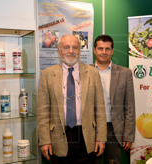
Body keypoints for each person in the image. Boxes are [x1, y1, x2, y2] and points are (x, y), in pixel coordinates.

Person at [37, 35, 107, 164]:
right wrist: (45, 141)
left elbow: (100, 109)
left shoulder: (93, 73)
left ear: (80, 51)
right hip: (58, 135)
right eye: (66, 47)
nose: (70, 51)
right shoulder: (47, 74)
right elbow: (42, 112)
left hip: (86, 136)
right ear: (59, 51)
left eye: (75, 47)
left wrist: (101, 138)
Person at [93, 35, 135, 164]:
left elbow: (130, 106)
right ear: (95, 50)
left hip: (114, 129)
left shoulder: (125, 73)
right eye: (100, 48)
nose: (103, 52)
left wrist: (128, 134)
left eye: (107, 49)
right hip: (91, 128)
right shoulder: (85, 72)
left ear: (112, 51)